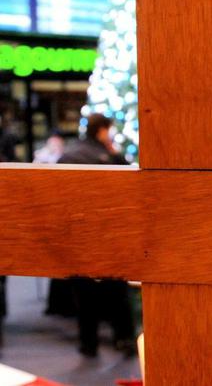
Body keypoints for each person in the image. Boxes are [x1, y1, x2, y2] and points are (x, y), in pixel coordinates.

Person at [57, 113, 134, 357]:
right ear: (102, 130)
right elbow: (129, 189)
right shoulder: (109, 157)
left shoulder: (68, 155)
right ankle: (124, 339)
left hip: (78, 234)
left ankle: (88, 343)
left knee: (84, 292)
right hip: (108, 233)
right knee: (117, 289)